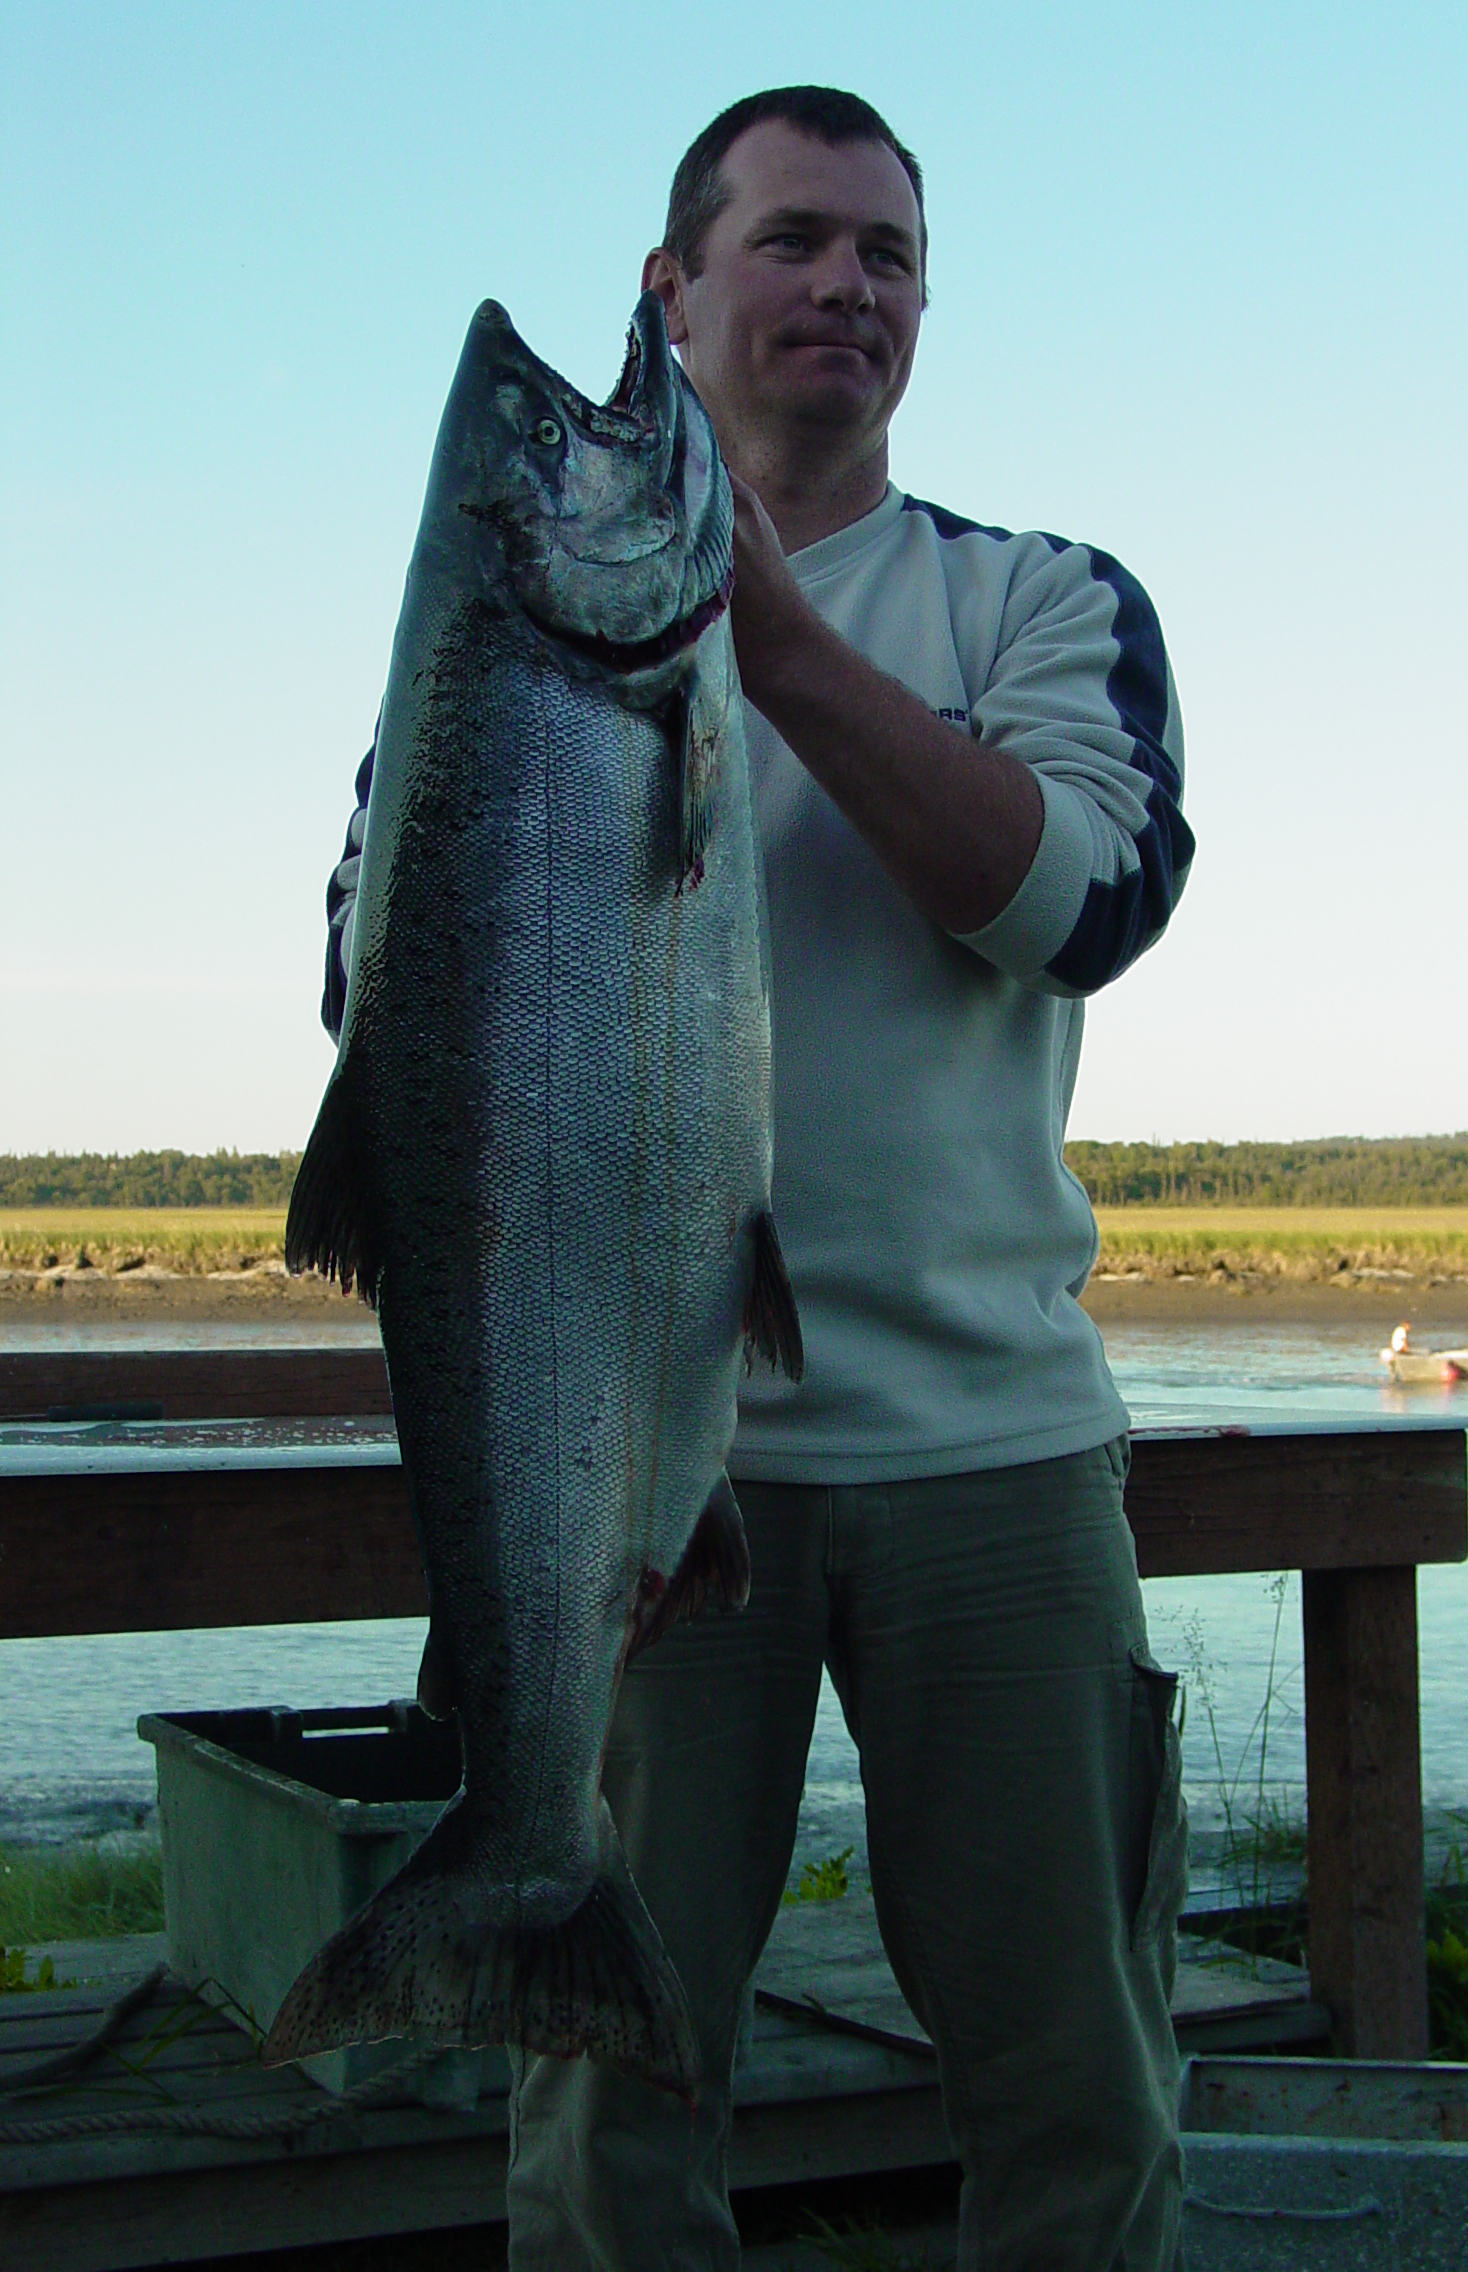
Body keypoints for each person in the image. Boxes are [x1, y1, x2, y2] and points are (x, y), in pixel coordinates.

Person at [320, 86, 1194, 2272]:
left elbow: (1078, 901)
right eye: (793, 241)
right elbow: (376, 1001)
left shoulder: (1038, 599)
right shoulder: (482, 666)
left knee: (1072, 2071)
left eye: (888, 255)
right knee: (609, 2129)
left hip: (990, 1446)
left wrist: (768, 641)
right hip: (616, 1489)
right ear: (675, 292)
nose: (846, 287)